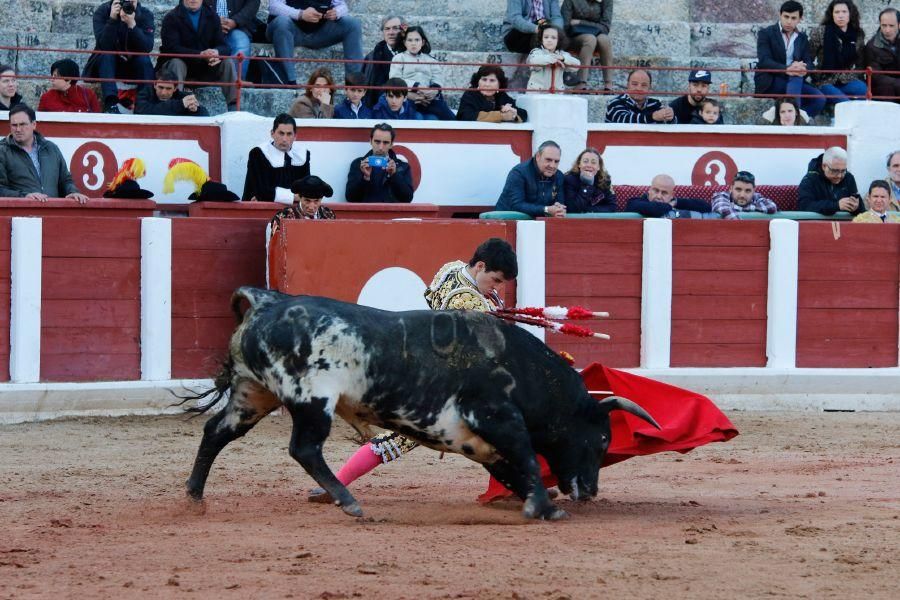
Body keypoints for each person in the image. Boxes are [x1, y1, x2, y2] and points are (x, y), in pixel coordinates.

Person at [306, 237, 519, 504]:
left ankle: (514, 489)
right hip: (445, 386)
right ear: (480, 266)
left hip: (429, 369)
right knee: (407, 436)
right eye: (496, 280)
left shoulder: (451, 269)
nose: (497, 288)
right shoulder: (469, 301)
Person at [0, 105, 89, 203]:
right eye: (14, 125)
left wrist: (72, 192)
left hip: (52, 213)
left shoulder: (51, 148)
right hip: (22, 214)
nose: (18, 129)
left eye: (22, 124)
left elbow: (65, 180)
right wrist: (24, 196)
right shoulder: (2, 151)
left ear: (34, 124)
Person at [159, 0, 238, 109]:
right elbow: (171, 48)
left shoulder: (212, 16)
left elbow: (224, 46)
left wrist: (216, 53)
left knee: (227, 62)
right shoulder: (171, 18)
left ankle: (234, 106)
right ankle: (176, 104)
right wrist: (200, 55)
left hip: (205, 68)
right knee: (177, 63)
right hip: (181, 68)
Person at [755, 1, 826, 118]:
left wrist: (803, 69)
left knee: (819, 99)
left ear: (800, 19)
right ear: (780, 15)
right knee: (796, 77)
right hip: (771, 80)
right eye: (786, 17)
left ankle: (795, 120)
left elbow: (809, 62)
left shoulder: (802, 38)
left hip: (793, 81)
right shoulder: (766, 33)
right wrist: (787, 69)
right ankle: (794, 123)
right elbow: (764, 61)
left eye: (793, 18)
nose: (789, 21)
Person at [266, 0, 363, 86]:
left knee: (354, 24)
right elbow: (274, 6)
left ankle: (354, 85)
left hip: (319, 32)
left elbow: (342, 6)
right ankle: (289, 81)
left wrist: (336, 12)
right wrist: (300, 14)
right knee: (282, 22)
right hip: (290, 31)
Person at [87, 0, 155, 114]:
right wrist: (112, 20)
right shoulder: (103, 11)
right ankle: (111, 104)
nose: (127, 4)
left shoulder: (145, 14)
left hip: (133, 63)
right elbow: (103, 45)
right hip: (108, 64)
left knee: (144, 59)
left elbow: (147, 47)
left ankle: (145, 104)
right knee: (107, 55)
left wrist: (132, 25)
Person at [388, 26, 455, 120]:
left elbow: (438, 78)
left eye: (417, 40)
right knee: (417, 117)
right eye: (410, 40)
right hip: (408, 97)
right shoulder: (399, 58)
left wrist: (433, 91)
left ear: (422, 42)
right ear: (405, 42)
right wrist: (416, 87)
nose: (413, 43)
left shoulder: (430, 60)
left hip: (427, 97)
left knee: (446, 113)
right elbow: (395, 79)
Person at [808, 0, 867, 105]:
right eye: (837, 12)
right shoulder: (820, 32)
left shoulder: (858, 34)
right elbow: (808, 58)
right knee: (843, 101)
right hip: (824, 80)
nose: (840, 16)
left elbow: (860, 64)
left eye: (844, 12)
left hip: (846, 79)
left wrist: (854, 76)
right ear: (832, 14)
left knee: (863, 89)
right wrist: (815, 75)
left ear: (850, 13)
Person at [242, 113, 311, 202]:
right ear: (272, 133)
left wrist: (270, 196)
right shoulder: (258, 154)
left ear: (295, 136)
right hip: (259, 211)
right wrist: (294, 197)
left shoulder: (303, 155)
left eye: (289, 134)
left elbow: (307, 190)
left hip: (294, 211)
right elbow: (261, 190)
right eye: (281, 133)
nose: (284, 139)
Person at [345, 122, 414, 203]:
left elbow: (407, 198)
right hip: (366, 214)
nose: (381, 147)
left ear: (391, 144)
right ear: (371, 141)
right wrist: (365, 178)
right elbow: (350, 198)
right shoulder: (358, 164)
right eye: (377, 142)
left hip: (392, 214)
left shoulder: (402, 166)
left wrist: (394, 175)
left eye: (385, 143)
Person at [495, 140, 567, 217]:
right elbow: (516, 205)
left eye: (556, 161)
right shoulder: (519, 173)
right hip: (507, 222)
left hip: (539, 222)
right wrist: (545, 209)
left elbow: (560, 203)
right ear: (538, 156)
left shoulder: (559, 176)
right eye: (548, 160)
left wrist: (559, 208)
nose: (552, 165)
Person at [561, 0, 614, 93]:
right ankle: (581, 83)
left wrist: (580, 22)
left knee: (605, 40)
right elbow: (566, 25)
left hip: (597, 34)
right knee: (590, 39)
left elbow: (605, 27)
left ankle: (608, 84)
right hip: (574, 37)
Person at [797, 146, 864, 215]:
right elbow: (804, 207)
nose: (839, 176)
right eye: (835, 171)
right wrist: (836, 205)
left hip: (845, 224)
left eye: (843, 170)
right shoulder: (809, 180)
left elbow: (862, 210)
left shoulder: (849, 177)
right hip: (819, 224)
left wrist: (856, 207)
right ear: (824, 166)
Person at [203, 1, 260, 79]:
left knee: (241, 43)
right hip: (204, 27)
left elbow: (253, 3)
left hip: (237, 27)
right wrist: (213, 22)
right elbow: (189, 5)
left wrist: (235, 21)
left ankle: (235, 84)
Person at [456, 65, 527, 123]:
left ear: (499, 84)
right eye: (484, 80)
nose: (487, 84)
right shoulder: (470, 94)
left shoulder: (501, 95)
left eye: (492, 80)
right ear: (478, 81)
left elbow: (523, 114)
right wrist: (501, 115)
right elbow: (466, 116)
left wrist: (513, 114)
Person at [362, 15, 405, 108]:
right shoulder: (371, 57)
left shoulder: (412, 54)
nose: (391, 32)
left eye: (395, 28)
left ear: (403, 31)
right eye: (387, 29)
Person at [270, 175, 336, 234]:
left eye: (316, 201)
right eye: (307, 200)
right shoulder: (283, 217)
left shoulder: (328, 215)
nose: (311, 207)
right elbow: (275, 245)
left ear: (321, 199)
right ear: (300, 197)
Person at [605, 69, 676, 123]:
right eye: (635, 84)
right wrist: (652, 117)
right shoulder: (615, 103)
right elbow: (624, 120)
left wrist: (670, 117)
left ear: (649, 88)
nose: (639, 88)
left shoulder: (655, 104)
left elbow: (673, 124)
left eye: (644, 85)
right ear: (627, 85)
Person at [525, 23, 580, 92]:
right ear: (541, 40)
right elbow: (534, 61)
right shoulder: (536, 52)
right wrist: (554, 59)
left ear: (559, 41)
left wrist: (562, 58)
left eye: (553, 38)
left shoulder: (562, 54)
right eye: (546, 37)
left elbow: (577, 65)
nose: (549, 40)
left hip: (556, 94)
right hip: (537, 93)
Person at [625, 174, 711, 217]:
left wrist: (677, 202)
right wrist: (668, 206)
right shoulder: (635, 202)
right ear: (650, 190)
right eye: (656, 191)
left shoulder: (673, 202)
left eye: (664, 193)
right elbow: (655, 209)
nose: (658, 196)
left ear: (672, 195)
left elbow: (706, 207)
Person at [135, 66, 210, 116]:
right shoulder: (145, 93)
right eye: (161, 87)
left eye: (168, 88)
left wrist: (196, 110)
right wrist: (180, 105)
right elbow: (142, 111)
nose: (163, 92)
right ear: (155, 84)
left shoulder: (183, 96)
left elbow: (205, 114)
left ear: (175, 88)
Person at [563, 147, 615, 213]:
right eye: (585, 161)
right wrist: (587, 185)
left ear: (599, 166)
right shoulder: (569, 179)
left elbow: (612, 207)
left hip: (597, 220)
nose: (589, 165)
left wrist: (588, 210)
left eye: (593, 162)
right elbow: (572, 208)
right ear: (579, 164)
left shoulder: (605, 180)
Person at [864, 8, 900, 103]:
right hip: (883, 89)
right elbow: (876, 76)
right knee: (887, 91)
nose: (887, 30)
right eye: (884, 25)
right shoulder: (872, 46)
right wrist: (897, 83)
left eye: (891, 26)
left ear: (899, 25)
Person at [711, 171, 778, 219]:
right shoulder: (721, 196)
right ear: (731, 189)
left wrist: (736, 208)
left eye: (748, 191)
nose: (742, 195)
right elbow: (724, 209)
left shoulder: (756, 196)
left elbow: (772, 207)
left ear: (753, 191)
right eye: (738, 189)